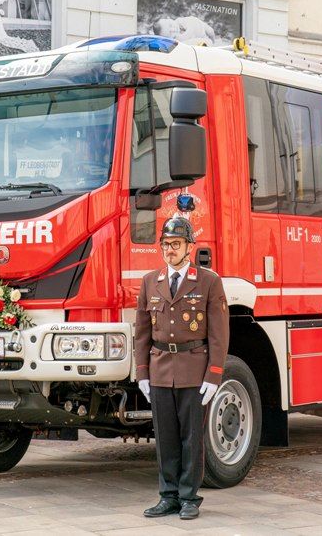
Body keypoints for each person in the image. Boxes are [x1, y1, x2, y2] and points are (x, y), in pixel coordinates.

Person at [133, 217, 229, 521]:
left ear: (189, 247)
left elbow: (218, 333)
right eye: (165, 244)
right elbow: (142, 332)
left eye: (176, 244)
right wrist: (142, 372)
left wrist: (214, 375)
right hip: (161, 370)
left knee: (191, 437)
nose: (169, 250)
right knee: (166, 438)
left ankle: (189, 496)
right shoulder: (151, 282)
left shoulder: (208, 281)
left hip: (193, 369)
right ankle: (168, 496)